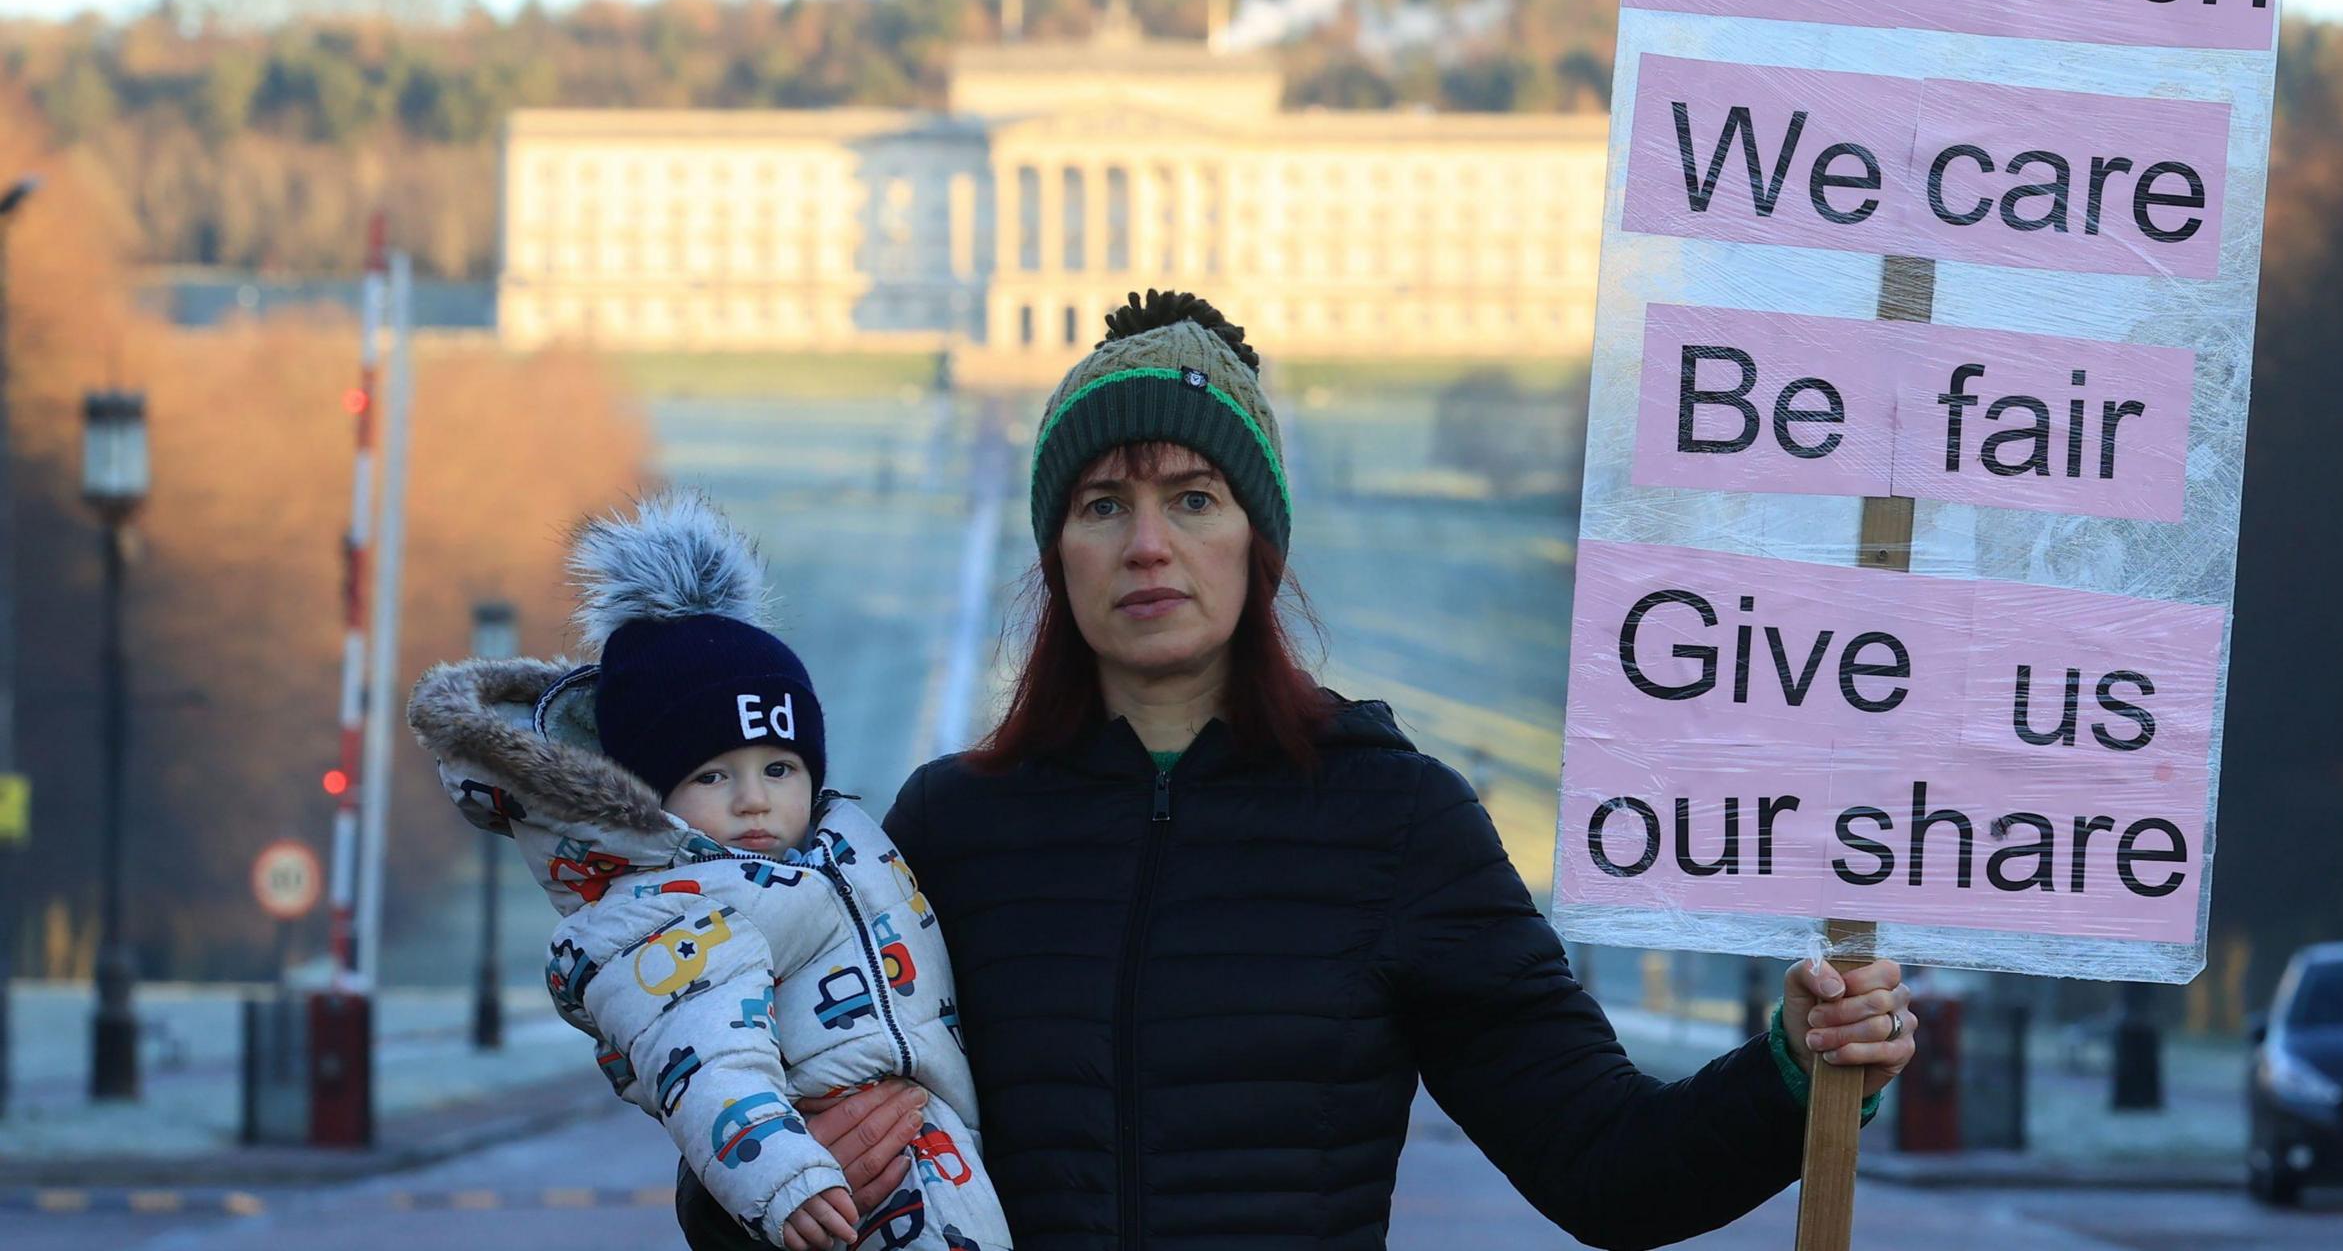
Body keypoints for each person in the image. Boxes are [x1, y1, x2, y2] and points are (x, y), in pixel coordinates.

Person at [678, 290, 1917, 1249]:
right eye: (1102, 504)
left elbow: (1604, 1164)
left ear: (1257, 540)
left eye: (1194, 497)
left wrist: (1789, 1075)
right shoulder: (948, 826)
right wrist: (752, 1177)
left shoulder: (1397, 818)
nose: (1148, 544)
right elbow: (756, 1111)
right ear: (1056, 550)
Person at [408, 490, 1011, 1251]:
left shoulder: (831, 846)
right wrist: (787, 1180)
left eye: (779, 767)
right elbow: (706, 1060)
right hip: (852, 1202)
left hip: (941, 1171)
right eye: (714, 776)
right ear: (650, 795)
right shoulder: (668, 910)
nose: (755, 799)